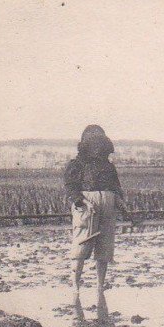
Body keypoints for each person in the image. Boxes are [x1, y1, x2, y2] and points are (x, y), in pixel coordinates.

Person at [64, 124, 134, 293]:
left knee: (105, 248)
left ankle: (99, 286)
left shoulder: (109, 166)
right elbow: (71, 186)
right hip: (87, 207)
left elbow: (115, 188)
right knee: (81, 244)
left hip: (108, 206)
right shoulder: (76, 164)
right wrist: (82, 201)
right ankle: (75, 285)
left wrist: (121, 204)